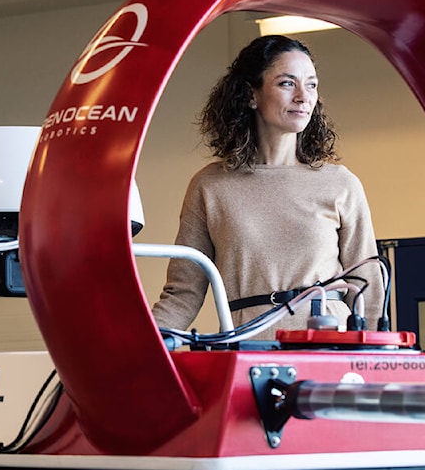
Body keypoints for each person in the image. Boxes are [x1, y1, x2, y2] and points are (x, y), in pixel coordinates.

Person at [151, 34, 386, 342]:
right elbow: (182, 293)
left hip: (331, 350)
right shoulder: (210, 186)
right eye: (288, 83)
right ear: (252, 95)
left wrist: (372, 363)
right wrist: (137, 343)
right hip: (250, 349)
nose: (304, 96)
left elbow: (368, 287)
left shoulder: (341, 183)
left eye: (312, 84)